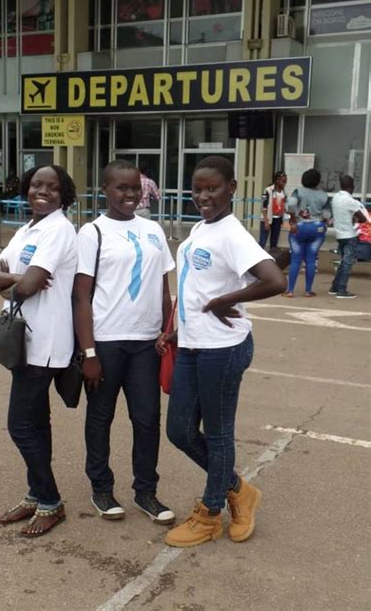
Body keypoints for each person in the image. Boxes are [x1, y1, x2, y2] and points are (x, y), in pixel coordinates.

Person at [157, 155, 286, 548]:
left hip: (223, 350)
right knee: (179, 430)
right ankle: (239, 490)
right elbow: (196, 287)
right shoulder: (200, 229)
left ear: (231, 187)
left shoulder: (232, 233)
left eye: (212, 188)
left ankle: (211, 513)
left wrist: (225, 300)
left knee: (217, 435)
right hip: (194, 345)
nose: (203, 196)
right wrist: (179, 330)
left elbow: (274, 279)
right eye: (197, 189)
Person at [73, 159, 176, 525]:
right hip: (106, 342)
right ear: (105, 190)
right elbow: (81, 296)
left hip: (147, 343)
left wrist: (167, 329)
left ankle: (146, 491)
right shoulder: (92, 233)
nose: (130, 194)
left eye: (135, 187)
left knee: (147, 418)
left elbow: (163, 288)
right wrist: (89, 352)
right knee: (100, 418)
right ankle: (101, 487)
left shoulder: (153, 231)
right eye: (121, 188)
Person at [0, 164, 77, 538]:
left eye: (52, 187)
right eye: (37, 184)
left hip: (47, 344)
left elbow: (28, 286)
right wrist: (15, 282)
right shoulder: (28, 230)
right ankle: (36, 494)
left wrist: (13, 284)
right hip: (25, 341)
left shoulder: (59, 229)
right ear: (26, 188)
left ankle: (51, 500)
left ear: (63, 194)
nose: (43, 191)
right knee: (36, 422)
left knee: (21, 426)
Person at [282, 168, 331, 298]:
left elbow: (291, 204)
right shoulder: (323, 195)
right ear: (318, 181)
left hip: (300, 227)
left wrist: (293, 219)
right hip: (317, 228)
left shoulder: (299, 191)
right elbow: (327, 214)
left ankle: (290, 290)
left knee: (296, 259)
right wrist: (324, 222)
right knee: (311, 259)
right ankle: (308, 290)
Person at [328, 175, 368, 299]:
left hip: (340, 234)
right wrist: (354, 218)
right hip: (350, 235)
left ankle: (334, 287)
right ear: (352, 187)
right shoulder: (350, 200)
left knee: (343, 261)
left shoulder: (335, 198)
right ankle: (341, 290)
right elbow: (363, 218)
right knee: (347, 263)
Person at [259, 171, 287, 249]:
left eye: (285, 181)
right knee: (263, 241)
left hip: (277, 219)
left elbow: (283, 205)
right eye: (283, 181)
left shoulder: (283, 192)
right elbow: (263, 206)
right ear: (277, 180)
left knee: (274, 242)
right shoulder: (268, 190)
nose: (284, 183)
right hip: (267, 218)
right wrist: (266, 221)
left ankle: (273, 256)